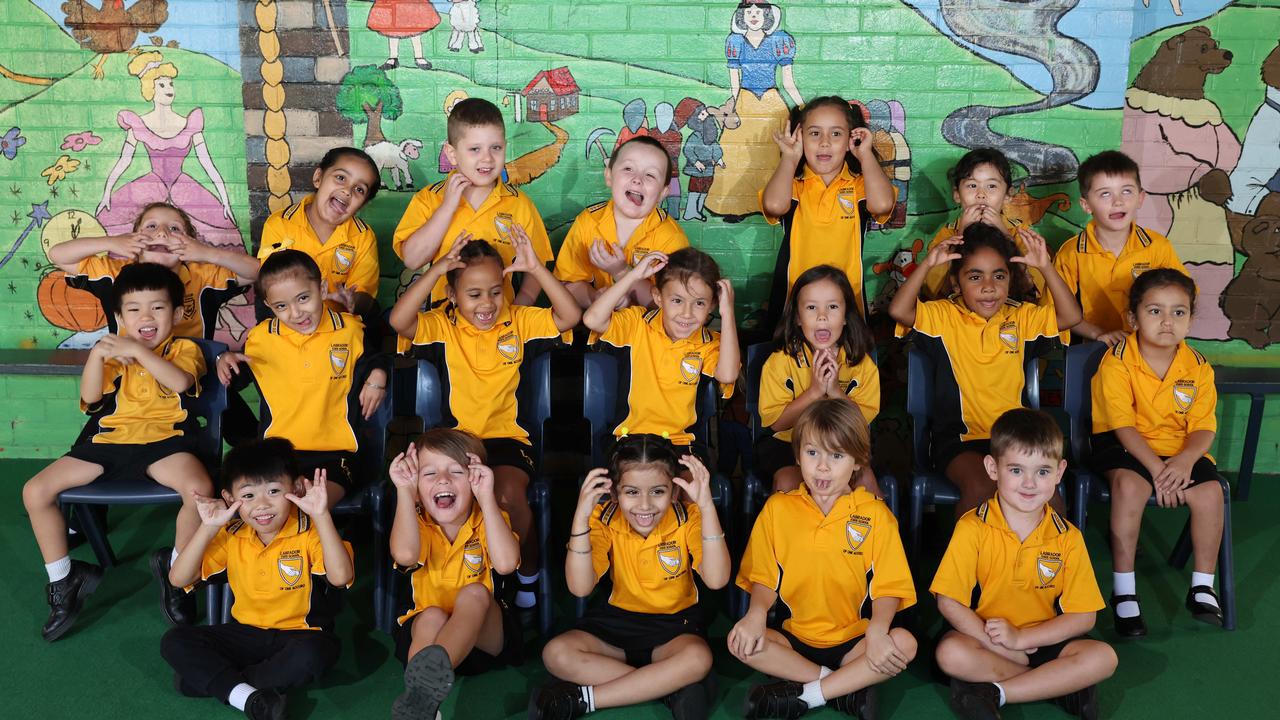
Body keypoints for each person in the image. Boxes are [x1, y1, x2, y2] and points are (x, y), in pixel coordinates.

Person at [390, 232, 581, 610]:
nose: (487, 304)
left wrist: (536, 269)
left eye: (495, 291)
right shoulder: (441, 325)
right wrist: (437, 270)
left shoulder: (519, 321)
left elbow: (570, 315)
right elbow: (399, 319)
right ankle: (450, 580)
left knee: (507, 496)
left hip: (507, 440)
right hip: (455, 444)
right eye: (474, 294)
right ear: (452, 294)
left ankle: (524, 574)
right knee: (435, 497)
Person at [22, 263, 212, 640]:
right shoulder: (111, 352)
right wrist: (98, 355)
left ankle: (178, 575)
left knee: (200, 492)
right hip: (109, 443)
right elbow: (92, 399)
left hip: (166, 443)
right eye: (134, 310)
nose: (146, 317)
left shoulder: (184, 348)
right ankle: (65, 579)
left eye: (157, 308)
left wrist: (138, 353)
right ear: (120, 317)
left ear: (175, 313)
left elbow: (179, 381)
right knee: (34, 490)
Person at [729, 398, 916, 719]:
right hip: (793, 638)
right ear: (798, 454)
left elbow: (889, 586)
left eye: (837, 455)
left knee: (905, 643)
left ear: (858, 461)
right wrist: (756, 614)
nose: (823, 467)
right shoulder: (778, 509)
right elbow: (764, 577)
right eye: (812, 453)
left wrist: (878, 630)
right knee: (740, 641)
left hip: (854, 640)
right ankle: (842, 691)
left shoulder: (875, 514)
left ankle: (806, 695)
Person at [933, 408, 1117, 720]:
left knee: (1104, 658)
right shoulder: (972, 527)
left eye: (1043, 472)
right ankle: (1059, 686)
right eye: (1016, 470)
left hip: (1043, 638)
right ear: (992, 468)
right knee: (950, 654)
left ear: (1059, 472)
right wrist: (1000, 644)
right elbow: (948, 601)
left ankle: (995, 692)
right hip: (985, 638)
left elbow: (1084, 617)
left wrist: (1022, 640)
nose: (1029, 483)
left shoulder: (1068, 538)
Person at [529, 435, 729, 720]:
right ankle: (669, 689)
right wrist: (580, 517)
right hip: (617, 624)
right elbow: (580, 586)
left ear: (674, 492)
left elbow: (717, 579)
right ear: (615, 493)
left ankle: (582, 699)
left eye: (658, 492)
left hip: (675, 626)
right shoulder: (604, 517)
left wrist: (707, 506)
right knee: (556, 653)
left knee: (697, 657)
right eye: (632, 492)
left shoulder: (689, 517)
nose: (644, 506)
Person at [889, 222, 1082, 516]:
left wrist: (1045, 268)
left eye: (999, 276)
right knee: (981, 489)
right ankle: (976, 562)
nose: (989, 287)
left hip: (1016, 440)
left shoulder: (1021, 317)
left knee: (1048, 498)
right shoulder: (943, 315)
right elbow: (899, 311)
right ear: (956, 283)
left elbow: (1070, 316)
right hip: (958, 442)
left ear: (1010, 279)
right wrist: (928, 264)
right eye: (975, 276)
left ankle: (1037, 561)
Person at [160, 438, 354, 720]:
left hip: (302, 635)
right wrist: (209, 527)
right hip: (246, 635)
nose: (262, 506)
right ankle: (251, 697)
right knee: (174, 640)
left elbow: (341, 577)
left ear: (297, 488)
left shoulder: (310, 530)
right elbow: (178, 579)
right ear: (229, 498)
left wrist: (322, 515)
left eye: (274, 491)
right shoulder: (231, 533)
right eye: (248, 496)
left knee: (314, 655)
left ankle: (226, 686)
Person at [1090, 269, 1226, 635]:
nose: (1167, 321)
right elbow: (1123, 426)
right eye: (1155, 311)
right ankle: (1125, 593)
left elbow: (1203, 427)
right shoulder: (1117, 360)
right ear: (1132, 318)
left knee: (1211, 493)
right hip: (1123, 445)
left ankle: (1202, 586)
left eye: (1179, 312)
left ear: (1191, 319)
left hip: (1178, 451)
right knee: (1130, 488)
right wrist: (1157, 471)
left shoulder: (1197, 366)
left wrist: (1183, 462)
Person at [216, 250, 390, 507]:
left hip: (336, 456)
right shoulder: (261, 339)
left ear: (320, 288)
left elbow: (377, 358)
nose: (296, 313)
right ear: (268, 306)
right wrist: (224, 361)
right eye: (282, 306)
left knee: (311, 506)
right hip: (276, 456)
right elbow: (236, 379)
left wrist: (378, 376)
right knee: (260, 506)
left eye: (303, 298)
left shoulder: (349, 330)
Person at [387, 429, 520, 720]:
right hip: (428, 636)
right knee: (431, 615)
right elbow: (405, 554)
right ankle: (422, 703)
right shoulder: (416, 521)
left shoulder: (488, 518)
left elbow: (507, 564)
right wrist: (404, 493)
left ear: (475, 480)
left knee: (474, 594)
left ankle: (424, 692)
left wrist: (487, 499)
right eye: (429, 473)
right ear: (417, 485)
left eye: (456, 471)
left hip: (481, 640)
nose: (443, 480)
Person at [585, 247, 740, 465]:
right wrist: (633, 275)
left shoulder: (710, 343)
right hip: (630, 439)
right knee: (639, 485)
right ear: (658, 297)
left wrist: (728, 313)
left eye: (699, 303)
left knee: (689, 490)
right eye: (677, 300)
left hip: (682, 443)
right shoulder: (637, 323)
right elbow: (592, 319)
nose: (687, 313)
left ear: (712, 305)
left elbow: (728, 374)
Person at [393, 98, 554, 308]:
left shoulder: (519, 204)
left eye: (495, 148)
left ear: (505, 148)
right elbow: (412, 260)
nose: (487, 159)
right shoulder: (429, 198)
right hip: (444, 322)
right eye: (475, 149)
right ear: (452, 154)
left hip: (498, 322)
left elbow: (537, 261)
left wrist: (524, 301)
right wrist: (447, 207)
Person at [761, 96, 895, 327]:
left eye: (836, 134)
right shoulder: (793, 184)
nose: (824, 142)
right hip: (793, 298)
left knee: (848, 359)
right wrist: (790, 159)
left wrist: (865, 155)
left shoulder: (859, 185)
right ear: (800, 138)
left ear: (849, 140)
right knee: (788, 360)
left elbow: (882, 205)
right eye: (814, 133)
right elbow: (774, 206)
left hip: (846, 300)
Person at [97, 51, 239, 252]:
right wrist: (107, 192)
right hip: (152, 183)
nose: (169, 88)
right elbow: (124, 161)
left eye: (171, 83)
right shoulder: (139, 124)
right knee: (117, 217)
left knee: (216, 225)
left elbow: (208, 164)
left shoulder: (191, 122)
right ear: (150, 89)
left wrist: (224, 199)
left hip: (182, 184)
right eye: (162, 84)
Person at [52, 201, 256, 340]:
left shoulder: (203, 277)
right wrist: (111, 242)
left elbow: (257, 272)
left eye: (175, 229)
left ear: (190, 242)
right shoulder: (114, 273)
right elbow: (58, 255)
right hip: (130, 378)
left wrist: (208, 253)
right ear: (133, 239)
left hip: (191, 377)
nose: (161, 233)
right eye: (151, 226)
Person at [757, 264, 880, 494]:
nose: (822, 316)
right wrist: (814, 392)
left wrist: (835, 391)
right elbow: (777, 423)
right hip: (788, 443)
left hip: (842, 446)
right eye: (811, 307)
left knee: (866, 480)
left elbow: (861, 425)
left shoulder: (860, 364)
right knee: (788, 483)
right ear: (797, 318)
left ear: (845, 317)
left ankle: (873, 530)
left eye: (832, 307)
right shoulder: (780, 361)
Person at [1053, 151, 1189, 345]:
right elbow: (1056, 313)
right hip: (1096, 347)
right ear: (1086, 205)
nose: (1118, 201)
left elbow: (1182, 297)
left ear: (1140, 198)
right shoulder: (1071, 253)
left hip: (1149, 347)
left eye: (1126, 191)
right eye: (1105, 194)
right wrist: (1097, 333)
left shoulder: (1157, 247)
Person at [554, 136, 689, 310]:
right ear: (609, 176)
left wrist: (621, 273)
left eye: (650, 175)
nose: (637, 179)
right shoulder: (588, 221)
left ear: (663, 193)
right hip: (596, 328)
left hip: (645, 333)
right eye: (628, 168)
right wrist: (596, 299)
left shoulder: (671, 238)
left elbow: (672, 306)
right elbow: (566, 284)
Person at [256, 147, 382, 322]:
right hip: (291, 322)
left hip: (337, 326)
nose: (347, 191)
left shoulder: (363, 236)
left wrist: (354, 300)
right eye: (340, 178)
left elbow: (364, 296)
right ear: (318, 178)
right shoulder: (280, 224)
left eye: (359, 189)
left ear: (362, 205)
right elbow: (272, 286)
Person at [706, 0, 803, 220]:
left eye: (758, 11)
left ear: (767, 15)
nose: (753, 15)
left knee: (773, 155)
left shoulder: (780, 41)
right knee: (734, 153)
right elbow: (734, 82)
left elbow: (788, 81)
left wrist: (803, 107)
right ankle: (735, 207)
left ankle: (771, 204)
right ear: (741, 16)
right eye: (748, 11)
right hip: (745, 101)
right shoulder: (735, 41)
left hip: (771, 103)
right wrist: (733, 106)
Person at [919, 148, 1048, 301]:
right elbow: (934, 290)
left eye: (991, 186)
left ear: (1007, 195)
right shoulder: (947, 235)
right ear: (956, 194)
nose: (981, 194)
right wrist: (961, 235)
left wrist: (1005, 235)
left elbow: (1034, 286)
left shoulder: (1020, 233)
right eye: (972, 186)